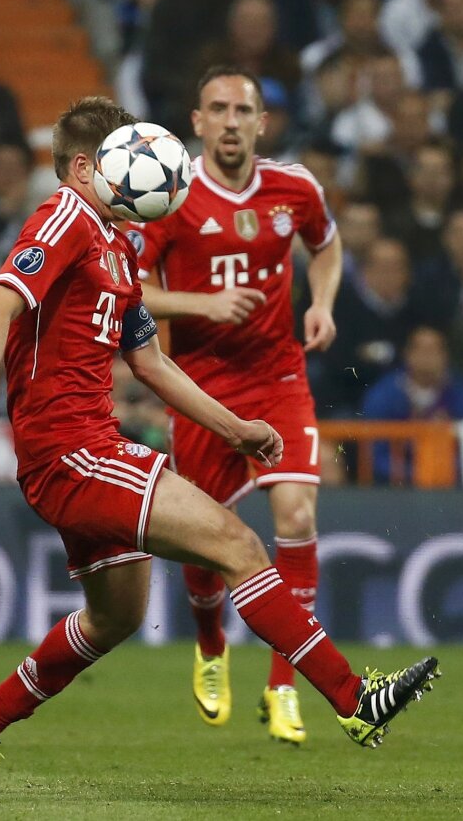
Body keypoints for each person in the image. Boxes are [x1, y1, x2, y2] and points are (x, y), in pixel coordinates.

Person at [0, 96, 438, 796]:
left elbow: (152, 364)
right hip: (73, 452)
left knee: (117, 615)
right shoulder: (65, 215)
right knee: (238, 545)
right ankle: (355, 699)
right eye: (125, 153)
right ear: (85, 166)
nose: (144, 166)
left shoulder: (115, 241)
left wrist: (237, 429)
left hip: (86, 450)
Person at [133, 65, 345, 747]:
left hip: (278, 375)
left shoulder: (295, 187)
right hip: (198, 385)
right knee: (204, 537)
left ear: (261, 122)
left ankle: (285, 685)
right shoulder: (169, 196)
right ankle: (209, 641)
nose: (230, 121)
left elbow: (327, 244)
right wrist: (203, 304)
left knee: (298, 511)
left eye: (242, 110)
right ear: (196, 123)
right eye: (217, 109)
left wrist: (321, 302)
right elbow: (130, 292)